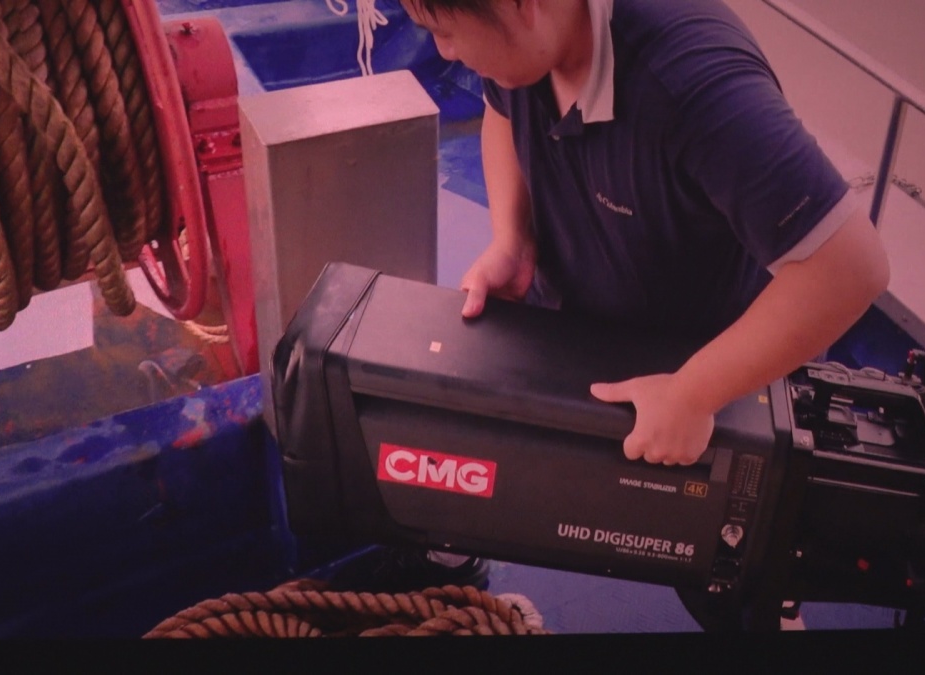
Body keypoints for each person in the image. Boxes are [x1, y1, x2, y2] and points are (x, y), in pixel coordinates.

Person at [332, 0, 890, 597]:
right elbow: (500, 108)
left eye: (444, 33)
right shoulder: (527, 50)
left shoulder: (698, 85)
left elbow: (852, 268)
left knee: (730, 562)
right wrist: (511, 238)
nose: (444, 52)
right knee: (479, 441)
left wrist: (694, 394)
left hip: (704, 370)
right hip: (574, 316)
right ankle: (449, 555)